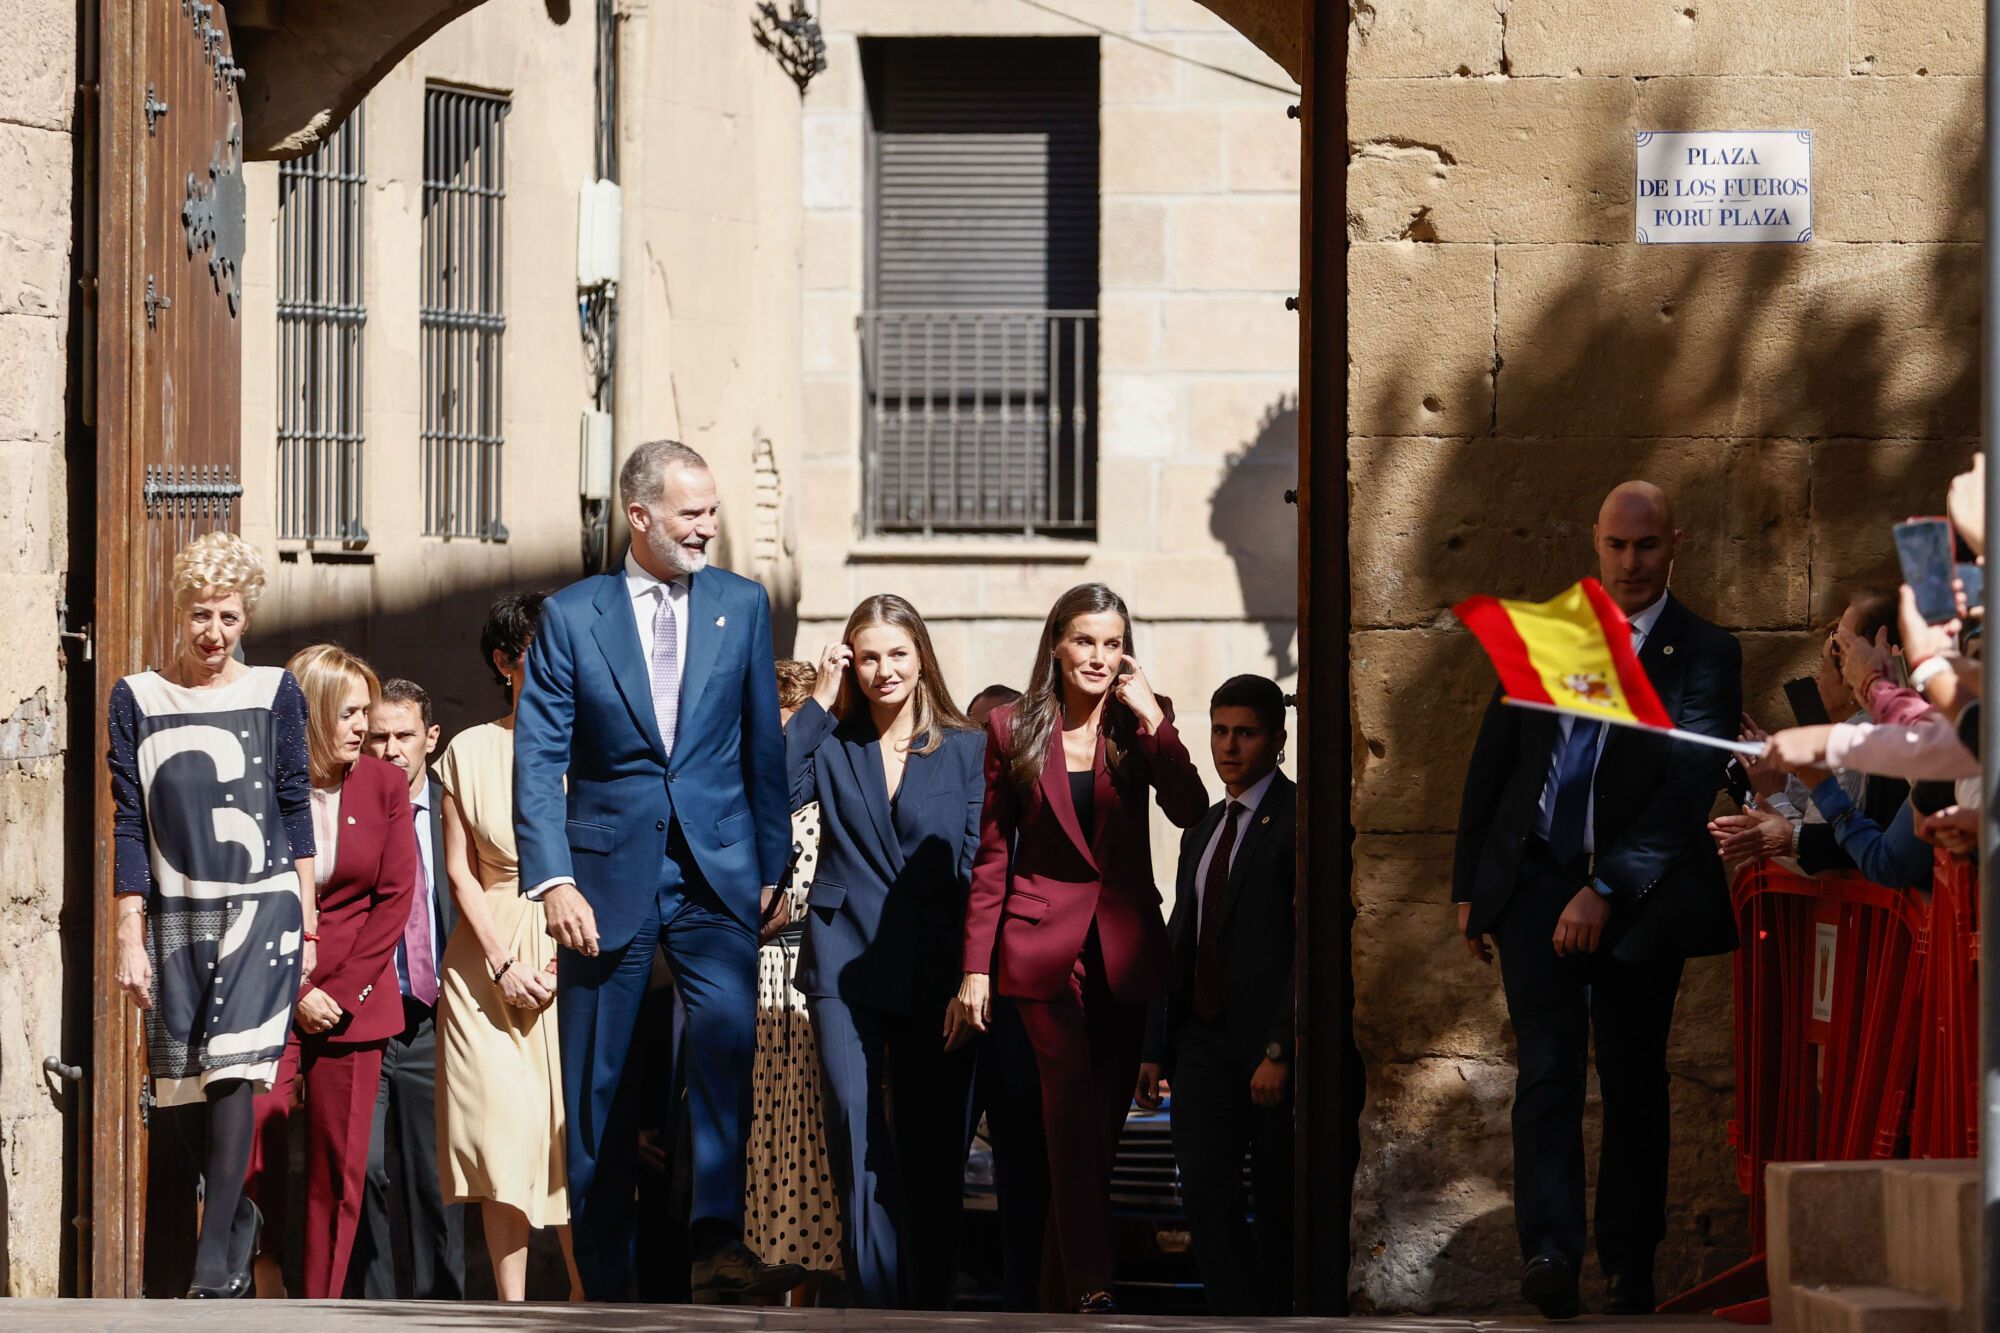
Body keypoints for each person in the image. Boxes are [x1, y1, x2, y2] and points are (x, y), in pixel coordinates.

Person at [515, 438, 804, 1302]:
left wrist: (771, 862)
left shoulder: (742, 606)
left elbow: (763, 743)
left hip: (719, 870)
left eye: (713, 511)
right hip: (604, 878)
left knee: (725, 1049)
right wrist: (554, 878)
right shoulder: (573, 616)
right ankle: (604, 1278)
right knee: (599, 1083)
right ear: (639, 515)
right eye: (692, 513)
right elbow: (540, 759)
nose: (709, 528)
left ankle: (715, 1243)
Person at [1453, 481, 1741, 1320]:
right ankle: (1549, 1251)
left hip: (1640, 897)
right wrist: (1473, 886)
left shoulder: (1706, 652)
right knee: (1543, 1073)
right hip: (1535, 882)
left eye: (1646, 545)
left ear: (1673, 545)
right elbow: (1495, 761)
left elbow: (1689, 794)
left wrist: (1606, 888)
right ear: (1596, 543)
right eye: (1617, 545)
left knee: (1631, 1081)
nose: (1631, 562)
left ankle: (1627, 1263)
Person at [956, 582, 1208, 1314]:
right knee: (1068, 1115)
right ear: (1057, 645)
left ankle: (1051, 1301)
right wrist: (976, 966)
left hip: (1123, 957)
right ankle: (1097, 1287)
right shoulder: (1010, 728)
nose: (1100, 655)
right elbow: (992, 857)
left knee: (1095, 1136)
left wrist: (1157, 718)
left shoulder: (1139, 729)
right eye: (1086, 641)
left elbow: (1191, 810)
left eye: (1113, 642)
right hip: (1038, 955)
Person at [108, 531, 315, 1299]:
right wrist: (130, 928)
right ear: (181, 610)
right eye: (201, 615)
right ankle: (239, 1225)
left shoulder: (275, 692)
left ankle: (210, 1265)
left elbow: (295, 807)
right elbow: (130, 822)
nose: (214, 633)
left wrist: (311, 920)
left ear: (246, 617)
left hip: (264, 902)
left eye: (228, 617)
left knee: (233, 1070)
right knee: (184, 1088)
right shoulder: (136, 698)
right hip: (175, 909)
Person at [788, 596, 987, 1308]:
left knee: (934, 1148)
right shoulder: (832, 742)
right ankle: (873, 1304)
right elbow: (771, 787)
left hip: (936, 968)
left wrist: (974, 973)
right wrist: (816, 700)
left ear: (921, 656)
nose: (883, 670)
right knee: (855, 1131)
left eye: (897, 653)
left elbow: (977, 866)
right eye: (867, 656)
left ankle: (929, 1303)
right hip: (843, 960)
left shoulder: (966, 748)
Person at [246, 644, 417, 1299]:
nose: (363, 728)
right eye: (349, 713)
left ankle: (319, 1303)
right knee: (255, 1142)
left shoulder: (384, 784)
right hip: (270, 993)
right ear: (313, 713)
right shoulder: (261, 783)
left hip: (356, 1002)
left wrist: (341, 994)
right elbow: (244, 893)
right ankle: (263, 1272)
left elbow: (395, 898)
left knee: (340, 1167)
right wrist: (297, 991)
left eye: (366, 713)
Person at [435, 592, 583, 1301]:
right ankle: (512, 1309)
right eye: (538, 651)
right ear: (504, 661)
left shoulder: (595, 747)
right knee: (500, 1133)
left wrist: (557, 961)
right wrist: (501, 959)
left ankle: (590, 1299)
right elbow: (459, 871)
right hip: (483, 961)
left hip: (572, 945)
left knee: (564, 1133)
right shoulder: (467, 749)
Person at [1137, 674, 1296, 1316]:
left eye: (1246, 733)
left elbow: (1308, 943)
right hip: (1201, 1045)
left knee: (1283, 1202)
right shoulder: (1202, 830)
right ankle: (1234, 1320)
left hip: (1267, 1046)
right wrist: (1155, 1046)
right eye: (1221, 731)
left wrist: (1282, 1047)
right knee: (1205, 1194)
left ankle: (1285, 1318)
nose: (1230, 747)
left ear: (1277, 741)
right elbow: (1183, 932)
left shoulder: (1297, 821)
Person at [348, 678, 467, 1299]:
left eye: (403, 736)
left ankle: (440, 1311)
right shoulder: (346, 808)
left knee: (433, 1179)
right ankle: (370, 1310)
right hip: (365, 1014)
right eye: (377, 738)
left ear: (431, 739)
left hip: (433, 1016)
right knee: (362, 1168)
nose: (391, 750)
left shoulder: (456, 808)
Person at [743, 659, 844, 1295]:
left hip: (808, 981)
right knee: (764, 1136)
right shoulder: (751, 803)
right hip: (757, 983)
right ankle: (770, 1271)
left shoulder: (833, 799)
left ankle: (813, 1279)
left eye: (796, 731)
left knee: (809, 1135)